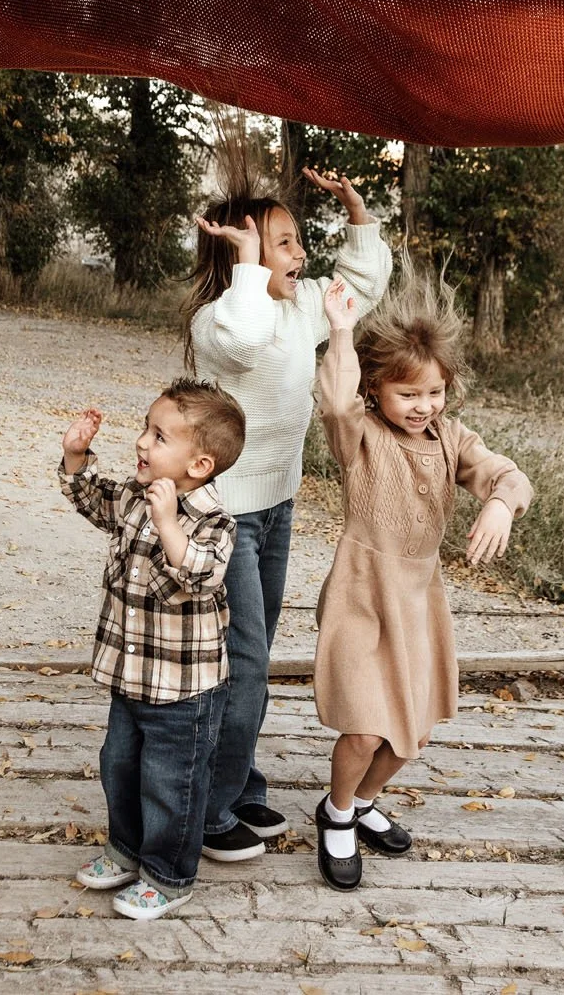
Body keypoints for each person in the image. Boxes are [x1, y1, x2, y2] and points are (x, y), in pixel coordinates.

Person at [184, 168, 393, 862]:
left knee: (256, 654)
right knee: (242, 662)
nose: (301, 252)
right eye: (282, 242)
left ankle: (237, 781)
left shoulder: (304, 305)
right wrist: (247, 268)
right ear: (241, 254)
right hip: (224, 516)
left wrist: (357, 210)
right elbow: (244, 341)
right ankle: (210, 812)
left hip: (275, 506)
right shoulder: (218, 320)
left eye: (299, 239)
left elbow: (361, 286)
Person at [311, 276, 532, 891]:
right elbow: (333, 403)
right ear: (375, 389)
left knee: (413, 733)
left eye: (434, 391)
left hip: (417, 602)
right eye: (407, 393)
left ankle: (363, 801)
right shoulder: (359, 439)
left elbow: (505, 474)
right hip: (362, 594)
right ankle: (336, 811)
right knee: (364, 727)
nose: (423, 405)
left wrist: (499, 504)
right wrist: (339, 331)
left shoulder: (450, 440)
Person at [60, 381, 247, 920]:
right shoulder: (135, 495)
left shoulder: (213, 521)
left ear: (199, 464)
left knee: (172, 782)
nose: (142, 442)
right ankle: (126, 848)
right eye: (146, 427)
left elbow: (202, 576)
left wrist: (169, 525)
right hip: (132, 675)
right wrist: (76, 455)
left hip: (185, 690)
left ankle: (168, 875)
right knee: (119, 765)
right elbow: (91, 498)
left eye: (159, 436)